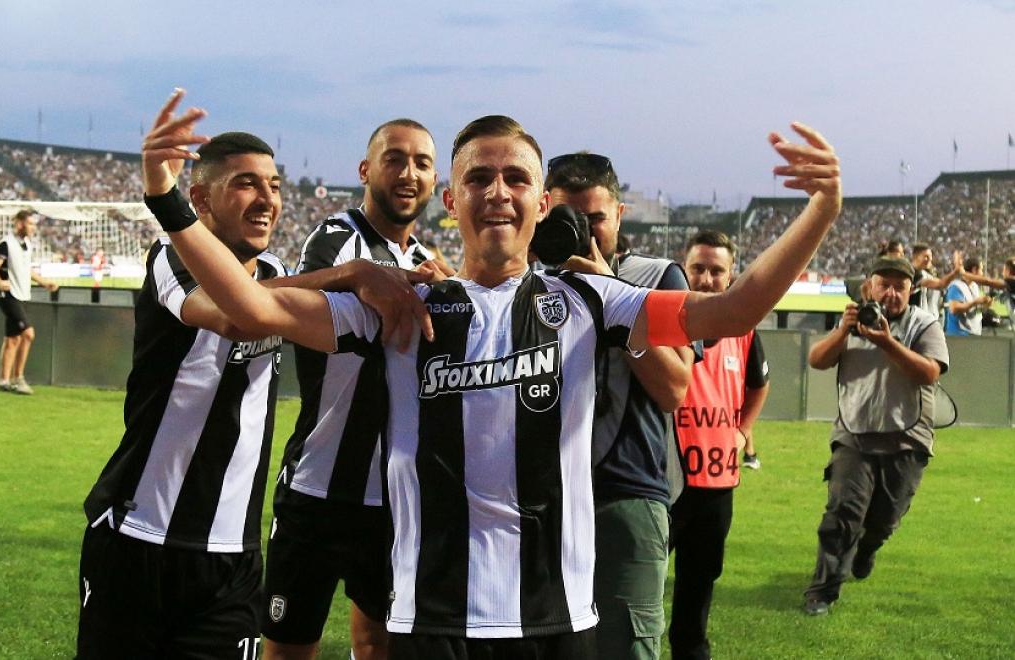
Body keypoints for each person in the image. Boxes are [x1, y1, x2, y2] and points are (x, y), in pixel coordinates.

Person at [144, 94, 842, 658]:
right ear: (452, 200)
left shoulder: (588, 300)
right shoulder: (404, 305)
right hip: (431, 621)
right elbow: (252, 307)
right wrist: (168, 199)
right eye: (479, 178)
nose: (498, 192)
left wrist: (821, 210)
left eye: (517, 179)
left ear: (543, 205)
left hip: (555, 618)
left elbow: (734, 309)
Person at [78, 92, 429, 659]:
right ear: (200, 199)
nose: (267, 199)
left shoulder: (277, 272)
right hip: (140, 535)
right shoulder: (170, 257)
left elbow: (276, 299)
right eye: (246, 184)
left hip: (233, 554)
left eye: (274, 185)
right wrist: (349, 272)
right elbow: (236, 314)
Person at [262, 118, 443, 660]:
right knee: (288, 647)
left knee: (378, 644)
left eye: (422, 163)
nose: (408, 173)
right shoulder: (337, 240)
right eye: (395, 159)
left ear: (435, 180)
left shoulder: (427, 263)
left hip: (393, 498)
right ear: (366, 170)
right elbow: (276, 302)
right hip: (316, 490)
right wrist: (356, 275)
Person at [545, 151, 695, 660]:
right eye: (565, 219)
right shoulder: (528, 280)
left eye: (595, 219)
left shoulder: (656, 277)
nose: (582, 233)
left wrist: (611, 296)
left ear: (620, 214)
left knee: (626, 647)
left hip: (626, 492)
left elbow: (675, 388)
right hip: (541, 497)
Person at [803, 256, 949, 615]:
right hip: (854, 433)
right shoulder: (853, 321)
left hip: (907, 437)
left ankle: (867, 549)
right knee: (843, 512)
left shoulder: (924, 324)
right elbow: (817, 360)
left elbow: (929, 373)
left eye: (900, 286)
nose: (891, 293)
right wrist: (842, 331)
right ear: (869, 286)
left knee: (884, 520)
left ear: (911, 291)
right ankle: (822, 592)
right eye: (884, 284)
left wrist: (887, 343)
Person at [668, 230, 769, 660]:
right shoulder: (663, 318)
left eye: (716, 271)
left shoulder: (742, 330)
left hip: (716, 484)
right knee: (637, 587)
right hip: (662, 482)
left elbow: (759, 384)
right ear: (683, 269)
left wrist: (742, 431)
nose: (707, 279)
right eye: (698, 268)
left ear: (730, 277)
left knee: (698, 588)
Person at [0, 209, 59, 395]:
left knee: (13, 338)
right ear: (20, 224)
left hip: (21, 294)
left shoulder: (26, 244)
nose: (33, 228)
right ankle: (18, 378)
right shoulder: (6, 244)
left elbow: (26, 269)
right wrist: (0, 283)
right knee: (28, 334)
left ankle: (4, 381)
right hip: (8, 294)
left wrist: (44, 282)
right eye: (30, 224)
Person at [908, 243, 961, 319]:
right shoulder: (911, 273)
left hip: (923, 317)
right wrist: (955, 272)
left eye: (930, 256)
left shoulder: (923, 273)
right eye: (926, 256)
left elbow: (942, 283)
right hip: (912, 319)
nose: (930, 259)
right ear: (915, 256)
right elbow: (940, 284)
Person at [944, 256, 992, 336]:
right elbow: (954, 308)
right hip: (959, 334)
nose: (982, 273)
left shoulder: (974, 286)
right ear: (974, 270)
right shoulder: (956, 286)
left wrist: (984, 306)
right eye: (981, 270)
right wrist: (975, 302)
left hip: (973, 333)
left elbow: (972, 310)